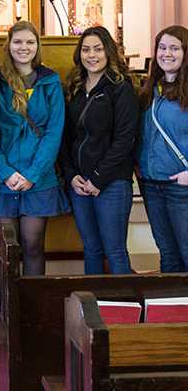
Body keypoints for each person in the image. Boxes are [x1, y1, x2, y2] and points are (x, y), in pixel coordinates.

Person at [0, 21, 69, 275]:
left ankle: (34, 311)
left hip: (38, 179)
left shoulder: (50, 81)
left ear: (38, 46)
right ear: (8, 46)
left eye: (30, 42)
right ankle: (9, 313)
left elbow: (54, 132)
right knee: (7, 250)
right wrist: (4, 172)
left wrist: (32, 174)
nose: (24, 47)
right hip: (2, 179)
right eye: (18, 42)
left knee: (33, 246)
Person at [60, 26, 139, 275]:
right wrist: (72, 176)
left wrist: (98, 178)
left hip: (112, 182)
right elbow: (66, 138)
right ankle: (93, 308)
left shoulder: (121, 87)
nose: (91, 55)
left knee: (114, 250)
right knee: (91, 249)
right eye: (85, 49)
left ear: (108, 51)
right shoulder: (74, 86)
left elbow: (125, 140)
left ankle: (123, 310)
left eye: (97, 49)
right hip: (79, 183)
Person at [138, 25, 188, 272]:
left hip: (181, 185)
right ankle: (175, 310)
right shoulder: (150, 89)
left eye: (175, 48)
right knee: (168, 255)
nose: (167, 53)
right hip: (151, 183)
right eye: (162, 47)